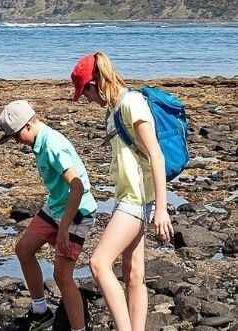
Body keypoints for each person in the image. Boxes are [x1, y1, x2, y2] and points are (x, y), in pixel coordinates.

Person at [71, 51, 174, 331]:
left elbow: (156, 155)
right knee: (133, 273)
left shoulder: (132, 103)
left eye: (86, 93)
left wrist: (161, 210)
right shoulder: (113, 110)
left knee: (99, 264)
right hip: (128, 197)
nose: (87, 100)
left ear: (95, 84)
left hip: (136, 200)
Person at [0, 100, 97, 331]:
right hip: (56, 206)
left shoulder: (53, 144)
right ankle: (41, 312)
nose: (15, 141)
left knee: (62, 276)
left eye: (15, 135)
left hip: (77, 212)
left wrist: (63, 229)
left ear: (28, 126)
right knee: (23, 249)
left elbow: (78, 187)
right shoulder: (38, 142)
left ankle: (78, 329)